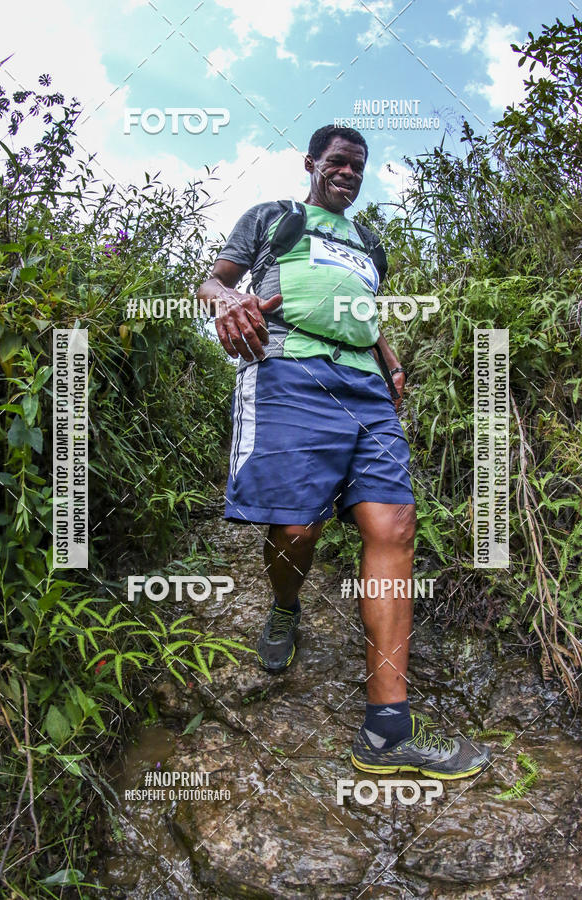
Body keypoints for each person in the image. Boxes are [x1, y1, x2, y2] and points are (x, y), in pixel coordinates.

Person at [197, 125, 490, 779]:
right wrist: (230, 301)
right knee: (298, 529)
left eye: (358, 166)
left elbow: (363, 306)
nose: (349, 174)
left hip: (365, 387)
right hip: (288, 372)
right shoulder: (272, 218)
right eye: (337, 163)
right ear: (311, 164)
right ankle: (284, 605)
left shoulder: (370, 245)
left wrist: (385, 352)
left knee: (393, 525)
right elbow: (211, 282)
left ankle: (387, 729)